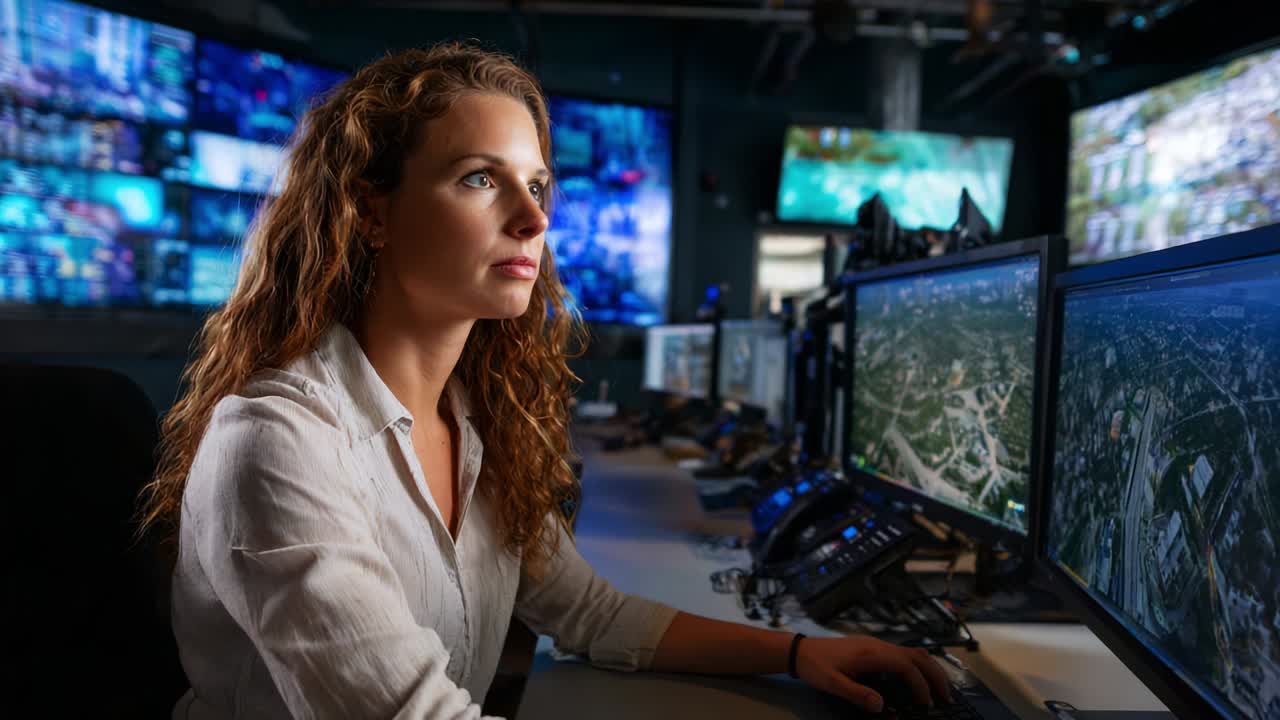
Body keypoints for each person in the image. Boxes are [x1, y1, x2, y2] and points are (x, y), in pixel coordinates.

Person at [139, 42, 951, 719]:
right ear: (371, 214)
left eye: (535, 185)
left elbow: (593, 614)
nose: (533, 220)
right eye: (479, 179)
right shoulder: (277, 441)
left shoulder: (478, 422)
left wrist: (800, 653)